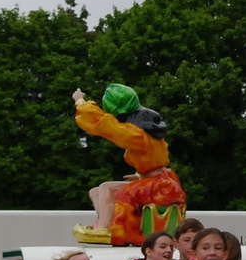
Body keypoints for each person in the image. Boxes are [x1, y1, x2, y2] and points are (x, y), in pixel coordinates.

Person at [72, 83, 186, 245]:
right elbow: (155, 161)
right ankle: (107, 224)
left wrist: (80, 102)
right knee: (95, 192)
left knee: (106, 188)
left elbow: (104, 125)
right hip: (158, 181)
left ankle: (104, 229)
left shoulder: (137, 135)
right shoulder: (150, 136)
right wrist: (140, 175)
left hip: (160, 186)